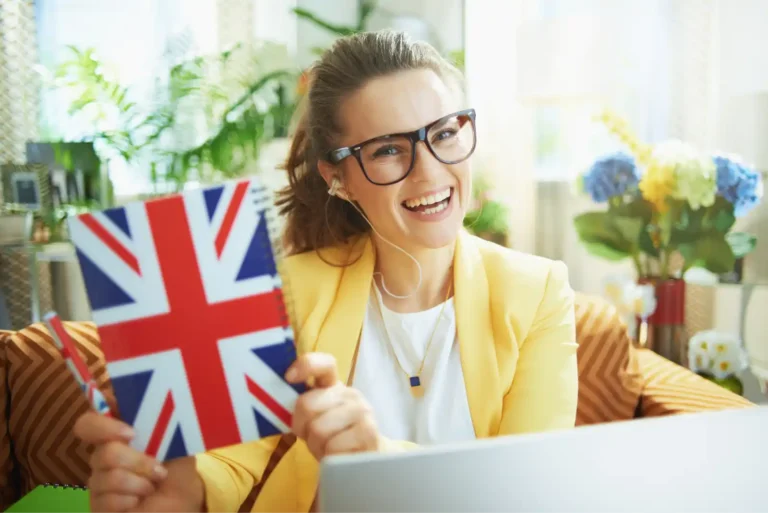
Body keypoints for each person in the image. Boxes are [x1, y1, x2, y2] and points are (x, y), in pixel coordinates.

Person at [73, 30, 579, 513]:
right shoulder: (290, 289)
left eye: (444, 134)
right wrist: (186, 490)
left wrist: (377, 457)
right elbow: (234, 459)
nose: (429, 170)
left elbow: (529, 488)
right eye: (387, 149)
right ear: (338, 179)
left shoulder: (538, 292)